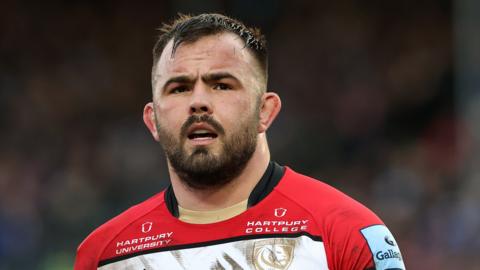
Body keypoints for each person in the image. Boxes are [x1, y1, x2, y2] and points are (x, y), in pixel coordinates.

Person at [74, 13, 405, 270]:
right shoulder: (105, 255)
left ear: (265, 110)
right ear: (152, 120)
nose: (198, 102)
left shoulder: (345, 234)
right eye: (179, 88)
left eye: (221, 85)